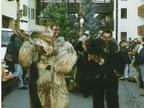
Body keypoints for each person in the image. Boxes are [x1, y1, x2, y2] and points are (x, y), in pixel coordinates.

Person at [87, 30, 125, 108]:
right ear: (101, 37)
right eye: (104, 37)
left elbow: (121, 60)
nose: (106, 39)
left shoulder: (115, 46)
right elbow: (89, 49)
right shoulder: (96, 44)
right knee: (98, 98)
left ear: (111, 37)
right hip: (98, 76)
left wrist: (119, 72)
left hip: (111, 76)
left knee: (112, 98)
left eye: (108, 37)